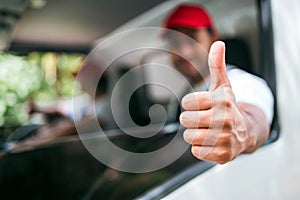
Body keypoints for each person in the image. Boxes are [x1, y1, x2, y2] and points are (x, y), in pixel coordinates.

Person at [162, 4, 274, 164]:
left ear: (214, 37)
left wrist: (241, 132)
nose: (184, 52)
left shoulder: (242, 82)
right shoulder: (180, 98)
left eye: (192, 38)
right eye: (174, 43)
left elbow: (253, 119)